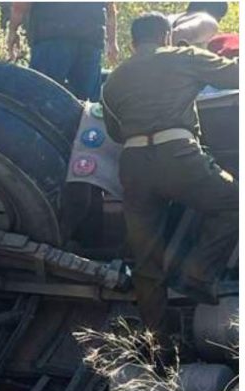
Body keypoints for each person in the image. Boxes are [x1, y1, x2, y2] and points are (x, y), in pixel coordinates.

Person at [101, 12, 238, 345]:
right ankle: (199, 272)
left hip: (133, 165)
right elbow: (235, 74)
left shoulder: (114, 79)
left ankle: (157, 345)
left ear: (133, 43)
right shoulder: (183, 56)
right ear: (166, 36)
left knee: (146, 261)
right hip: (179, 156)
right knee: (235, 202)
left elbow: (114, 132)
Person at [7, 2, 119, 101]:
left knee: (40, 99)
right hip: (90, 41)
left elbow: (20, 5)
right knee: (86, 107)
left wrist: (13, 30)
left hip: (51, 37)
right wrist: (112, 42)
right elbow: (110, 9)